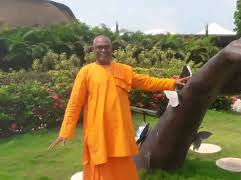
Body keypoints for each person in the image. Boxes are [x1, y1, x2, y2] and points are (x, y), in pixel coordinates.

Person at [48, 35, 189, 180]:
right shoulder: (86, 72)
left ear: (111, 49)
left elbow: (146, 81)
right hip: (98, 131)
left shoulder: (123, 70)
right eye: (99, 47)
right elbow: (74, 103)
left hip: (119, 131)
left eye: (106, 47)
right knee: (99, 166)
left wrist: (171, 83)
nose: (103, 50)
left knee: (123, 166)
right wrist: (65, 131)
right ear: (93, 50)